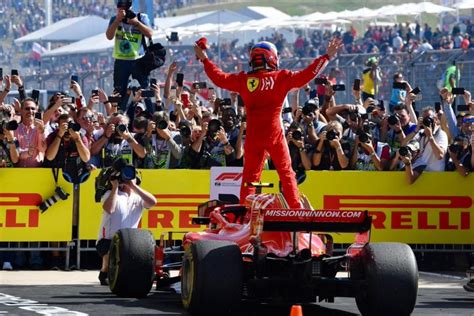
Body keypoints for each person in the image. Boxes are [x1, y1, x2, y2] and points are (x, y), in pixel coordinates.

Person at [193, 37, 342, 208]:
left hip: (253, 137)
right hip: (275, 135)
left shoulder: (244, 80)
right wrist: (326, 57)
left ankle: (246, 214)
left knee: (249, 178)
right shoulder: (281, 77)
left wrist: (205, 59)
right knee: (286, 174)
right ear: (272, 58)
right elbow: (307, 75)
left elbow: (219, 78)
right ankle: (294, 212)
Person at [96, 158, 157, 285]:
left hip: (131, 241)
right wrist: (115, 188)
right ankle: (104, 270)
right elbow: (110, 209)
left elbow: (153, 203)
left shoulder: (138, 197)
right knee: (109, 264)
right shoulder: (111, 194)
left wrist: (133, 186)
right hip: (108, 239)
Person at [105, 0, 153, 112]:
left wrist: (136, 23)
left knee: (145, 91)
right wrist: (117, 20)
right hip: (121, 61)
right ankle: (119, 116)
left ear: (131, 7)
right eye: (120, 7)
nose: (123, 10)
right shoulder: (114, 19)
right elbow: (109, 36)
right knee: (119, 92)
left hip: (138, 59)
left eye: (125, 8)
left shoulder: (141, 17)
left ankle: (150, 115)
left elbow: (150, 34)